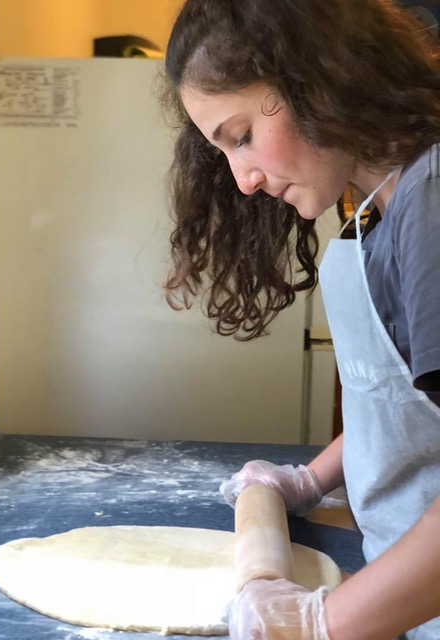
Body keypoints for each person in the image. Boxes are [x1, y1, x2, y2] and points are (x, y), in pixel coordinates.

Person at [162, 0, 440, 638]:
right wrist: (310, 479)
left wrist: (318, 624)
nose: (244, 181)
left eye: (242, 137)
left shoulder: (431, 203)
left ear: (314, 79)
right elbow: (408, 410)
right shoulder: (380, 202)